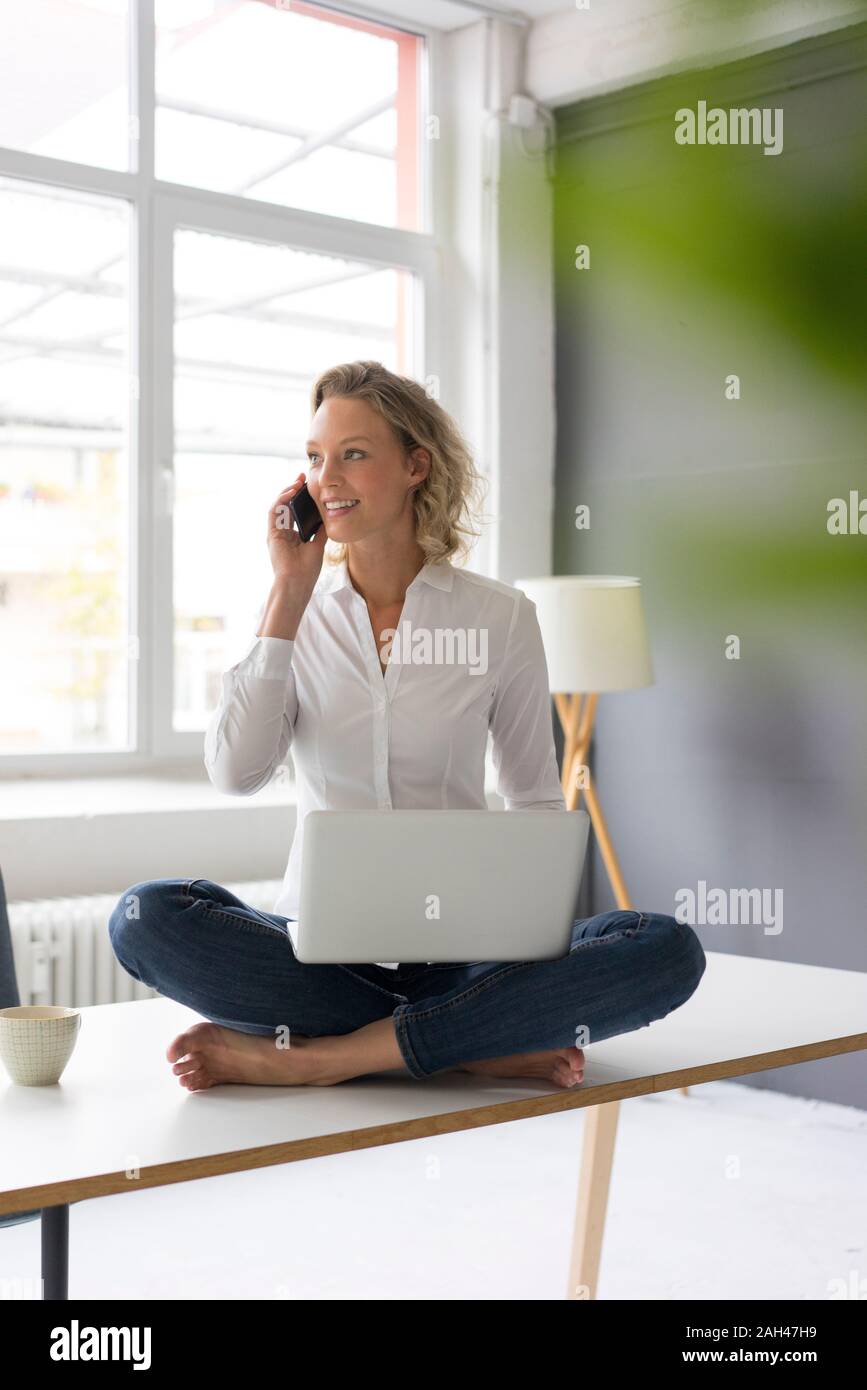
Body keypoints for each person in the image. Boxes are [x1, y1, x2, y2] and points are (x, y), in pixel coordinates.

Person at [108, 360, 705, 1090]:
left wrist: (518, 931)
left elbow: (535, 803)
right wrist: (287, 593)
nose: (327, 479)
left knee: (664, 947)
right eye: (315, 459)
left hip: (465, 953)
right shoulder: (295, 616)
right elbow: (235, 772)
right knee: (146, 916)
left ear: (415, 465)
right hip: (321, 961)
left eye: (353, 455)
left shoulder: (499, 616)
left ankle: (330, 1057)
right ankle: (466, 1038)